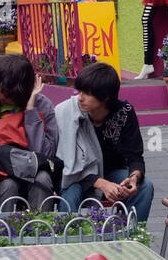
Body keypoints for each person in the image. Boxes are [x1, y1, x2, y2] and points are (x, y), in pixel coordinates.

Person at [55, 62, 154, 222]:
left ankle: (131, 237)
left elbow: (135, 156)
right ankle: (67, 241)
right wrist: (100, 183)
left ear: (105, 97)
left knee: (145, 187)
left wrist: (134, 178)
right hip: (74, 176)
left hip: (112, 172)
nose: (80, 97)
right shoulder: (67, 112)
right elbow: (62, 164)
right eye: (80, 91)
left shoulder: (124, 113)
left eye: (87, 93)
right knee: (70, 194)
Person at [0, 54, 58, 209]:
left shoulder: (43, 105)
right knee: (8, 184)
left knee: (43, 179)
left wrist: (30, 110)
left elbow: (45, 153)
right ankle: (2, 230)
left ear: (12, 87)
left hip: (32, 167)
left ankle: (40, 229)